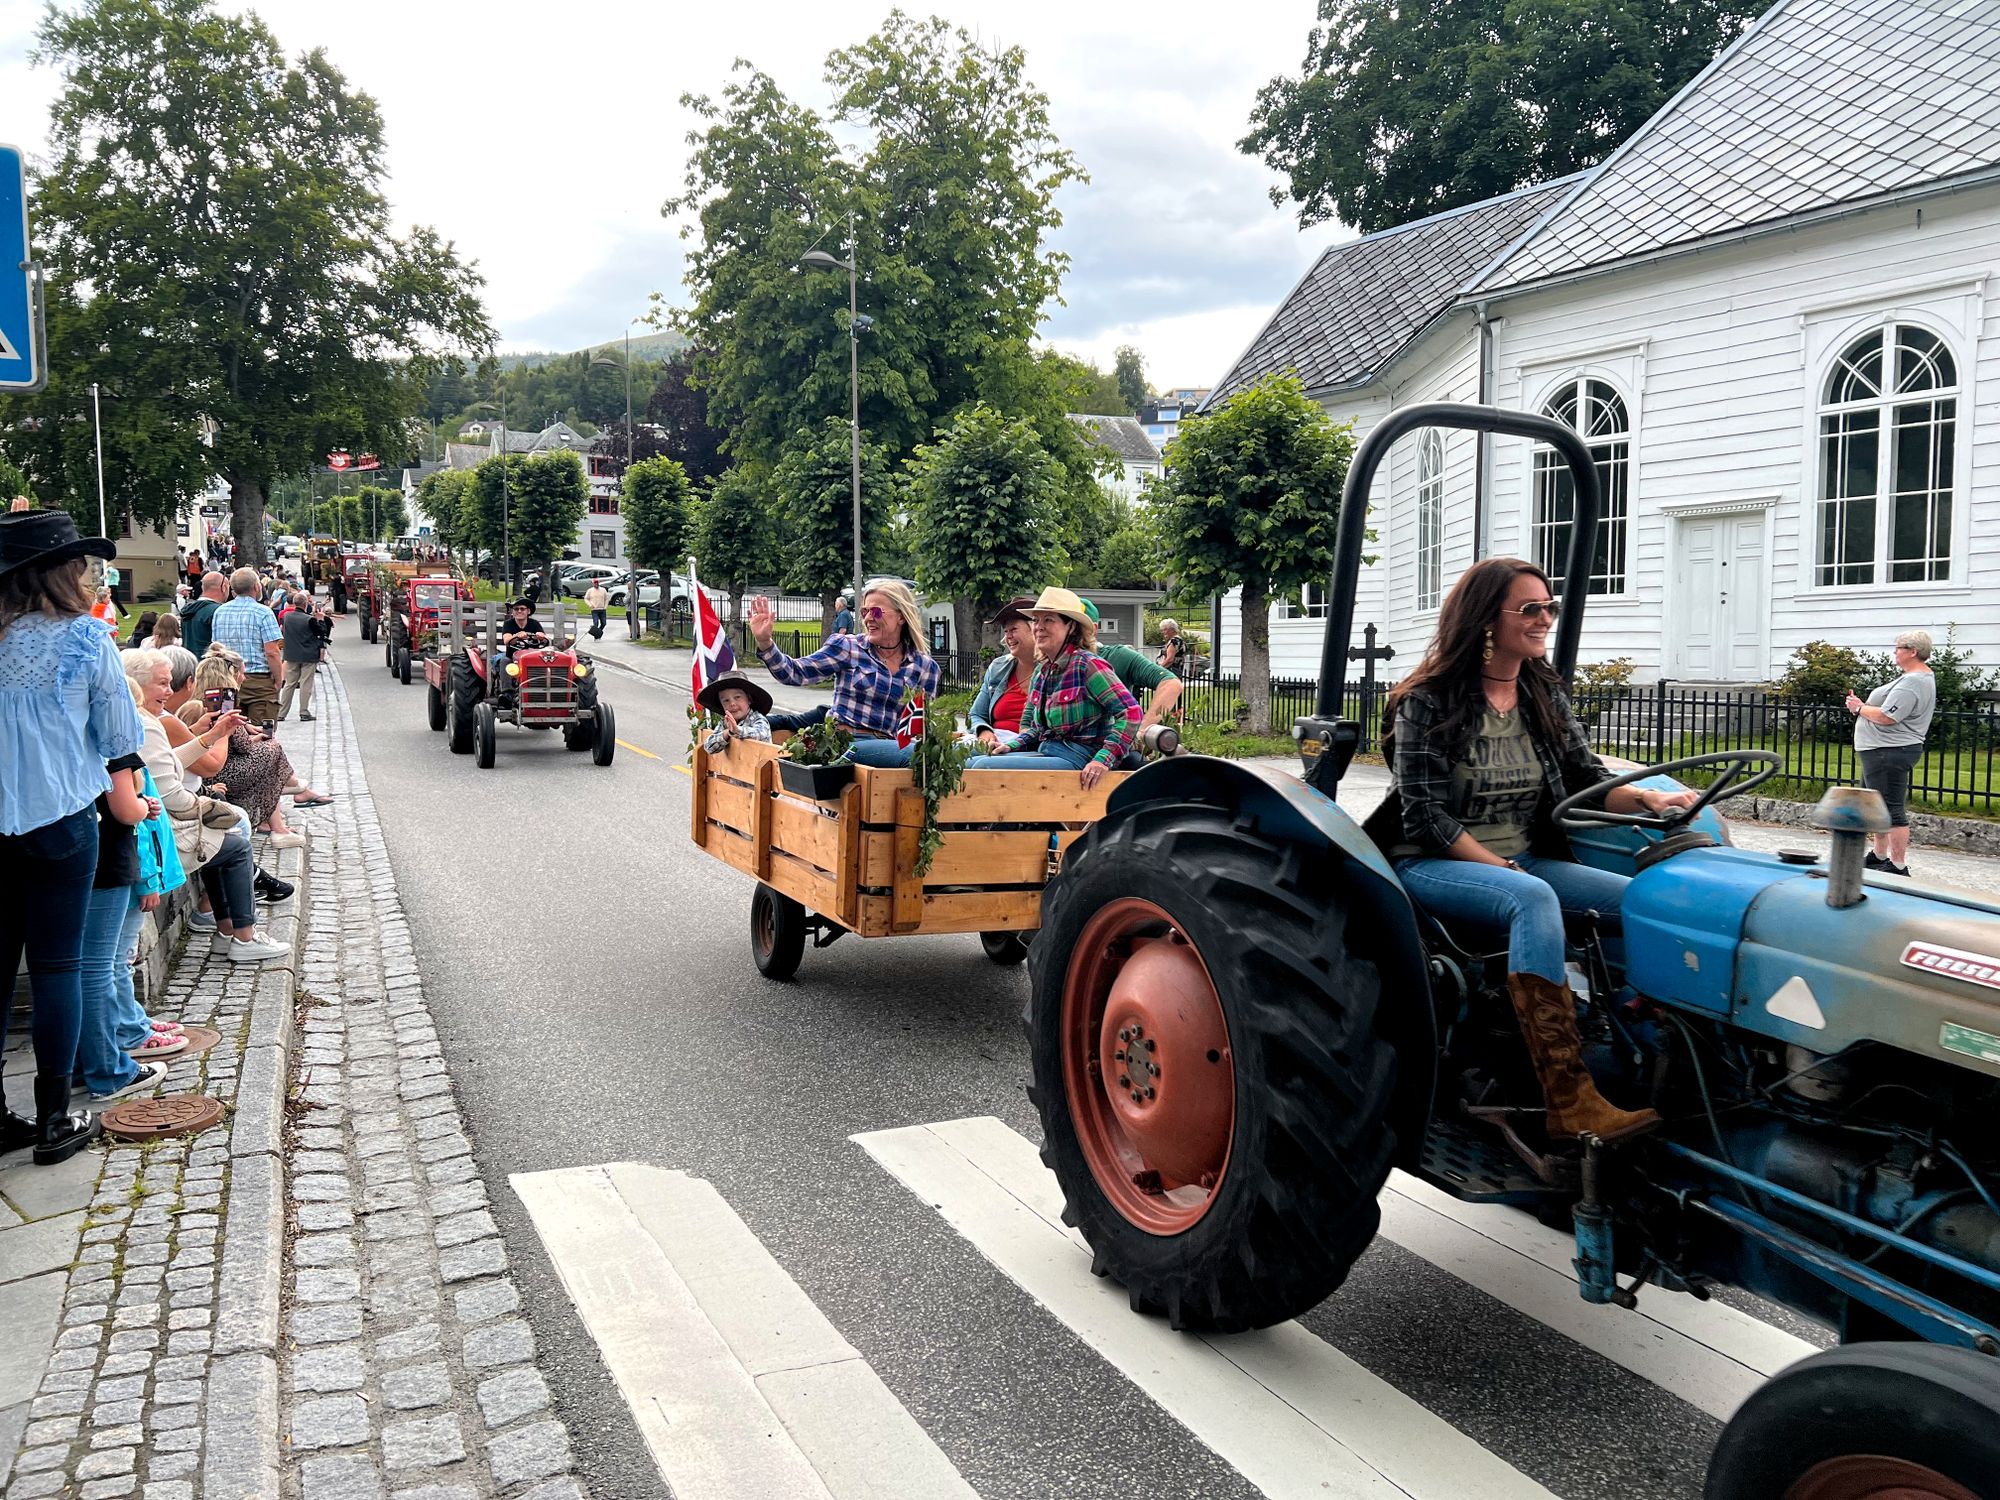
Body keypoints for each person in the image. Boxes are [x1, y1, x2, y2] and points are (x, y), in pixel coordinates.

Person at [1363, 558, 1699, 1143]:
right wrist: (1500, 867)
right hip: (1432, 862)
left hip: (1524, 859)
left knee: (1648, 900)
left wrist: (1649, 798)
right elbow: (1424, 814)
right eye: (1531, 609)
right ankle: (1568, 1099)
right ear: (1486, 619)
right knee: (1531, 899)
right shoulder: (1426, 700)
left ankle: (1655, 1050)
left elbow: (1583, 780)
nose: (1545, 619)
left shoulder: (1542, 691)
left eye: (1550, 607)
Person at [0, 508, 145, 1164]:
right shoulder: (84, 640)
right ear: (64, 573)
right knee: (57, 967)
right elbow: (119, 741)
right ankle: (54, 1116)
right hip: (59, 816)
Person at [126, 650, 289, 964]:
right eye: (161, 684)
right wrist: (209, 806)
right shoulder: (147, 725)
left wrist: (214, 734)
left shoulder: (147, 719)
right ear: (138, 685)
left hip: (160, 819)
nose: (169, 690)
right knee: (236, 841)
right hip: (159, 829)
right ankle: (242, 935)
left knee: (227, 835)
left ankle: (226, 930)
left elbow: (171, 765)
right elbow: (177, 791)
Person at [76, 693, 185, 1107]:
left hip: (75, 855)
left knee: (75, 967)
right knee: (99, 967)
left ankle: (83, 1063)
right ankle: (107, 1066)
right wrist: (142, 804)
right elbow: (126, 811)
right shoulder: (113, 742)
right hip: (107, 861)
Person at [748, 579, 940, 768]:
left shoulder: (925, 667)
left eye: (875, 611)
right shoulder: (849, 647)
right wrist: (766, 643)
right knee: (913, 755)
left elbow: (918, 727)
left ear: (901, 617)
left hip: (892, 749)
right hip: (847, 744)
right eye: (864, 611)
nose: (867, 618)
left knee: (966, 758)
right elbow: (794, 673)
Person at [965, 587, 1140, 789]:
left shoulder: (1088, 665)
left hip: (1079, 759)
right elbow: (1038, 730)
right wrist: (1009, 746)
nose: (1039, 627)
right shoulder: (1044, 671)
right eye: (1036, 620)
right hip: (1049, 751)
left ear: (1071, 627)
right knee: (970, 762)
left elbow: (1131, 712)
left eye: (1048, 620)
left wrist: (1102, 760)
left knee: (984, 768)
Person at [186, 646, 328, 838]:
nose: (244, 678)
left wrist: (246, 731)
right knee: (271, 751)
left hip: (209, 768)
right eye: (242, 674)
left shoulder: (196, 702)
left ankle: (285, 802)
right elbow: (242, 747)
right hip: (218, 771)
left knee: (268, 753)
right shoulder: (224, 706)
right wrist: (251, 736)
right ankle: (283, 813)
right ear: (231, 676)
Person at [1847, 630, 1937, 878]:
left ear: (1912, 651)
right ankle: (1879, 856)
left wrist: (1859, 708)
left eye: (1898, 647)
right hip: (1880, 751)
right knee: (1877, 806)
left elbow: (1888, 716)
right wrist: (1864, 708)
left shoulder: (1913, 682)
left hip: (1889, 752)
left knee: (1890, 808)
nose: (1895, 652)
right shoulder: (1913, 678)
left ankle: (1897, 866)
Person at [1080, 598, 1184, 746]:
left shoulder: (1117, 656)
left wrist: (1142, 731)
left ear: (1093, 629)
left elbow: (1171, 684)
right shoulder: (1049, 664)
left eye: (1075, 625)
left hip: (1112, 749)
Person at [211, 567, 283, 724]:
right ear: (257, 587)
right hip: (259, 681)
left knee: (230, 730)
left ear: (233, 589)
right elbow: (272, 652)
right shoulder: (263, 612)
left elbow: (216, 649)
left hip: (228, 679)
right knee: (264, 731)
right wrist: (278, 679)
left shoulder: (220, 612)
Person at [969, 597, 1039, 745]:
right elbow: (976, 714)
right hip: (993, 740)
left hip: (1024, 746)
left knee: (975, 764)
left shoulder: (1054, 670)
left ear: (1035, 631)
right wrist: (984, 731)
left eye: (1013, 629)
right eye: (1005, 631)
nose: (1008, 637)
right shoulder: (998, 667)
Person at [278, 596, 330, 722]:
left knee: (289, 684)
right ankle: (304, 711)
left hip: (291, 654)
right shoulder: (310, 619)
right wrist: (321, 620)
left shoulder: (286, 617)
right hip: (308, 655)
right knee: (306, 683)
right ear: (306, 604)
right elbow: (322, 633)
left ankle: (281, 713)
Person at [698, 671, 774, 754]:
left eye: (737, 697)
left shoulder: (758, 718)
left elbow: (760, 733)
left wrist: (736, 730)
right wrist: (727, 732)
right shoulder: (725, 722)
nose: (732, 704)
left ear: (749, 700)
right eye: (726, 700)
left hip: (760, 765)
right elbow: (709, 747)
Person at [489, 598, 547, 687]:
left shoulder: (535, 623)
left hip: (533, 657)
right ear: (513, 611)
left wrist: (541, 636)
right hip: (513, 657)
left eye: (522, 609)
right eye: (516, 609)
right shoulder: (508, 624)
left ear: (528, 611)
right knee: (504, 661)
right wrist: (516, 636)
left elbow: (543, 637)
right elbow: (506, 640)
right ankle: (507, 692)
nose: (519, 611)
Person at [179, 571, 227, 659]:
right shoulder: (218, 611)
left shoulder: (188, 609)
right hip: (209, 665)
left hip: (189, 662)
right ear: (224, 588)